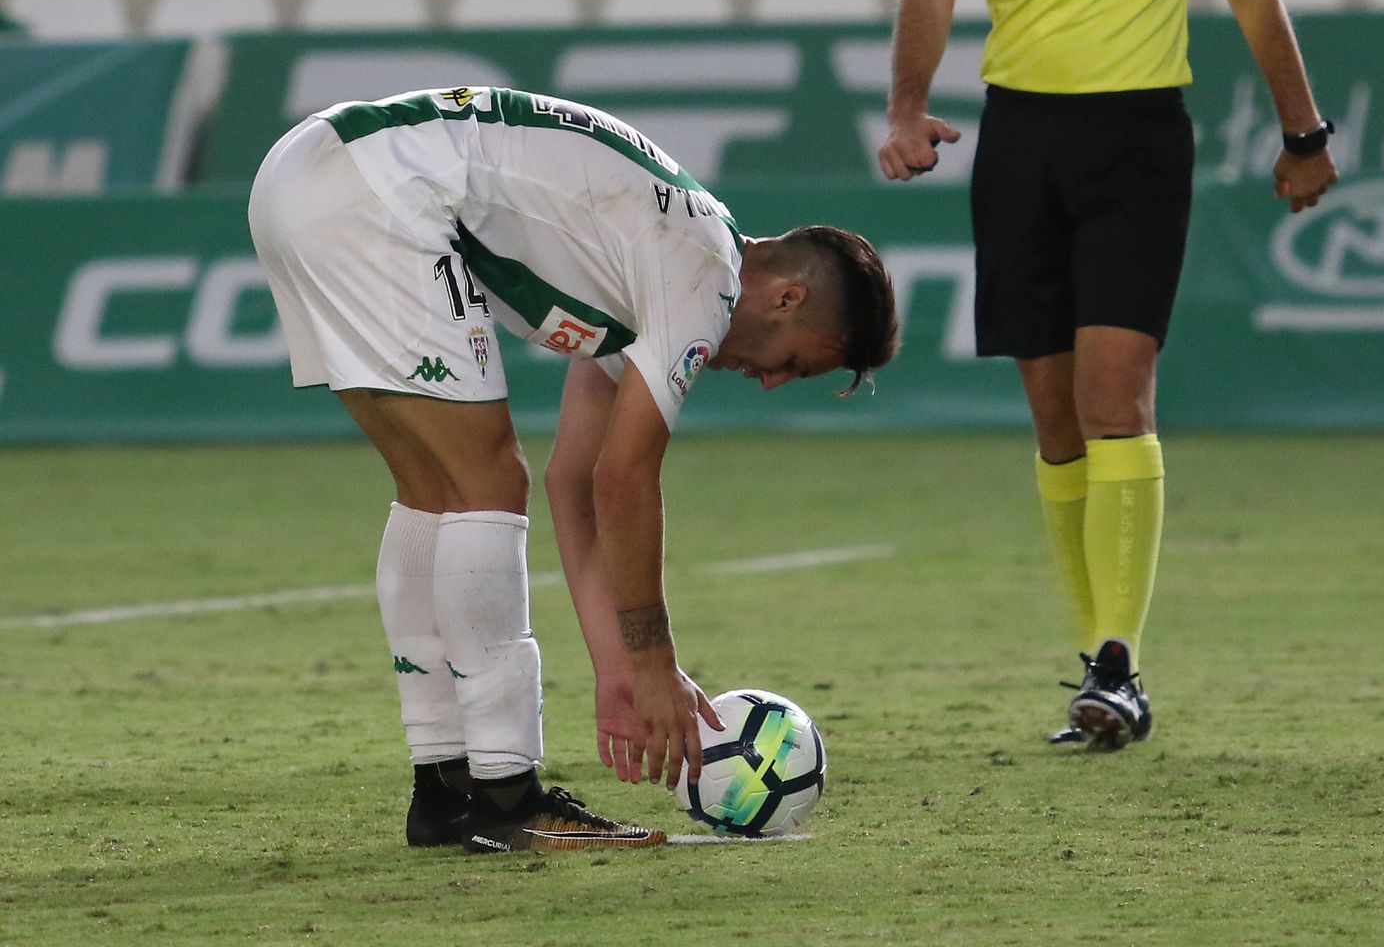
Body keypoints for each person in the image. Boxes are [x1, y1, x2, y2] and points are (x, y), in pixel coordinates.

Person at [878, 0, 1337, 750]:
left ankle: (1120, 664)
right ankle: (1098, 661)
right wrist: (907, 102)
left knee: (1111, 393)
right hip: (1019, 137)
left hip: (1138, 134)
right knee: (1050, 414)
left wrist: (1302, 131)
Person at [248, 83, 898, 851]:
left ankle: (446, 789)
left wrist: (617, 667)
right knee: (487, 481)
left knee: (436, 492)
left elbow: (577, 479)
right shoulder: (702, 277)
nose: (770, 379)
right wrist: (654, 659)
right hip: (378, 195)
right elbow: (624, 479)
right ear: (787, 297)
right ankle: (505, 794)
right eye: (793, 361)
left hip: (307, 174)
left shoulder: (663, 257)